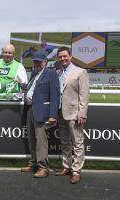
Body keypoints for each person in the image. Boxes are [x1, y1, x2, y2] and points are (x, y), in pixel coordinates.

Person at [20, 50, 60, 178]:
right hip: (30, 110)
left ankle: (43, 167)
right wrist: (22, 85)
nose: (36, 63)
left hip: (42, 112)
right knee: (31, 139)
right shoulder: (34, 73)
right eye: (34, 61)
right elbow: (32, 89)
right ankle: (34, 164)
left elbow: (55, 95)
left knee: (41, 141)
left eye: (38, 61)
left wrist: (53, 114)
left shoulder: (51, 73)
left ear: (45, 62)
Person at [55, 46, 89, 184]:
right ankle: (66, 166)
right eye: (60, 57)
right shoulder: (57, 73)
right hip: (60, 112)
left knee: (78, 143)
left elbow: (84, 95)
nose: (63, 59)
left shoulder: (81, 72)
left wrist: (82, 113)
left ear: (71, 57)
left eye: (65, 56)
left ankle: (76, 171)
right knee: (64, 142)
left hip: (75, 114)